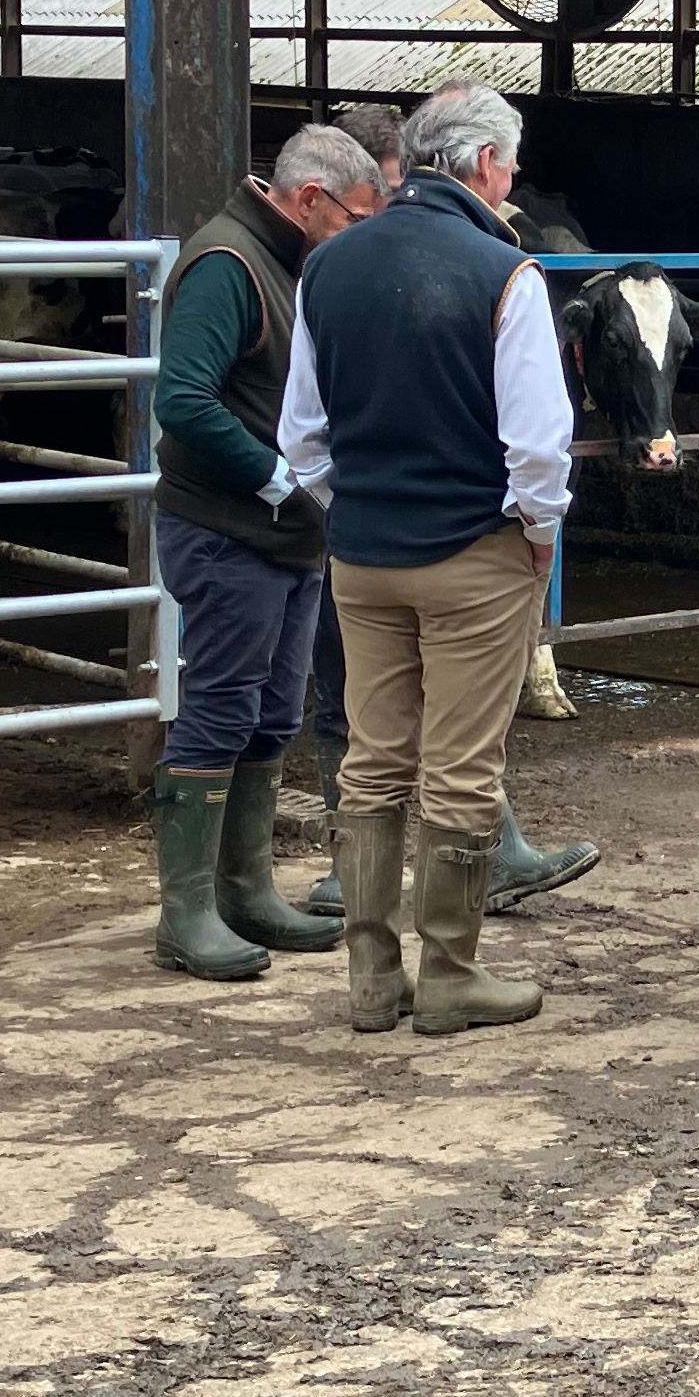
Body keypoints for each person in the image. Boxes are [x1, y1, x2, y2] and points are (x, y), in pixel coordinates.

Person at [278, 82, 573, 1036]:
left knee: (372, 760)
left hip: (360, 558)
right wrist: (535, 534)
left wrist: (352, 510)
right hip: (473, 555)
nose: (513, 181)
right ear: (487, 164)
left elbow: (303, 439)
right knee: (460, 769)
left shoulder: (327, 268)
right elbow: (537, 447)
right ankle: (449, 973)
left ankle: (370, 977)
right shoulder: (506, 274)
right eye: (512, 165)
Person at [142, 128, 384, 979]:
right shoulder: (228, 263)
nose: (362, 233)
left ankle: (244, 888)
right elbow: (184, 399)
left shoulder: (288, 262)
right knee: (218, 705)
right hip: (229, 528)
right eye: (357, 216)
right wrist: (279, 477)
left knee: (274, 710)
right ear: (310, 197)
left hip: (287, 538)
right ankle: (187, 911)